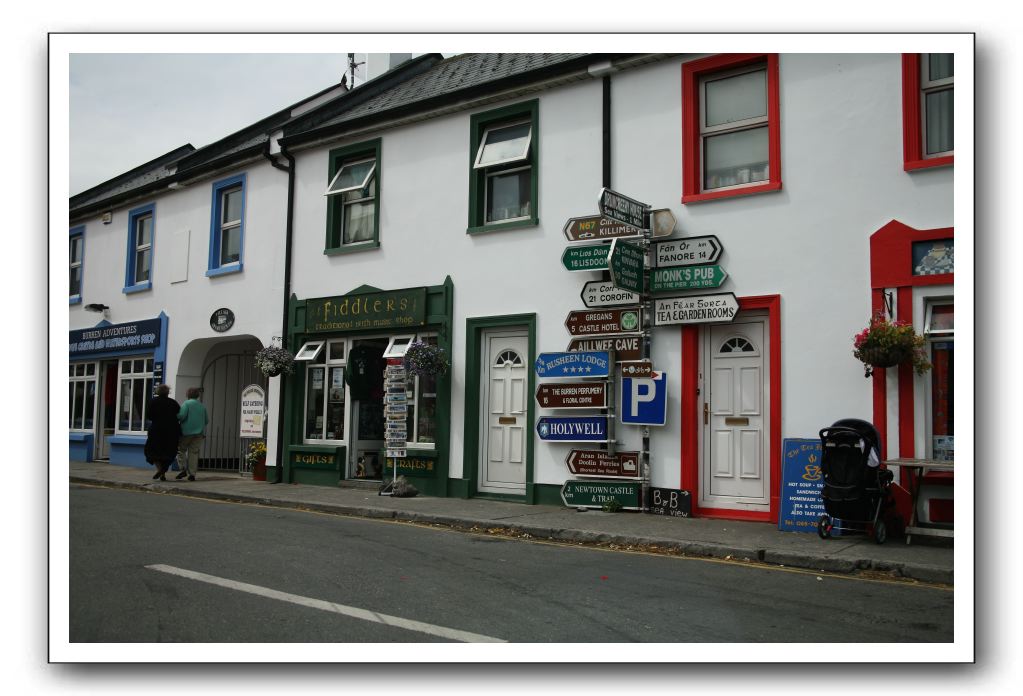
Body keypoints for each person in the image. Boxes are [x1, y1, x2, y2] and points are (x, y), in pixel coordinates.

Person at [144, 384, 181, 481]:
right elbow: (178, 414)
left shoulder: (153, 402)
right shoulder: (173, 402)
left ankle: (160, 470)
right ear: (168, 392)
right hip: (171, 430)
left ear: (158, 392)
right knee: (170, 451)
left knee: (152, 451)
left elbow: (149, 416)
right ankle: (163, 470)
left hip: (157, 429)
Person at [176, 387, 209, 481]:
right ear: (197, 395)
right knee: (193, 453)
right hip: (199, 433)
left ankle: (182, 469)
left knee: (180, 450)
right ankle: (192, 474)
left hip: (186, 432)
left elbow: (181, 416)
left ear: (188, 395)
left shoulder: (186, 403)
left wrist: (176, 415)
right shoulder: (202, 406)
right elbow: (207, 420)